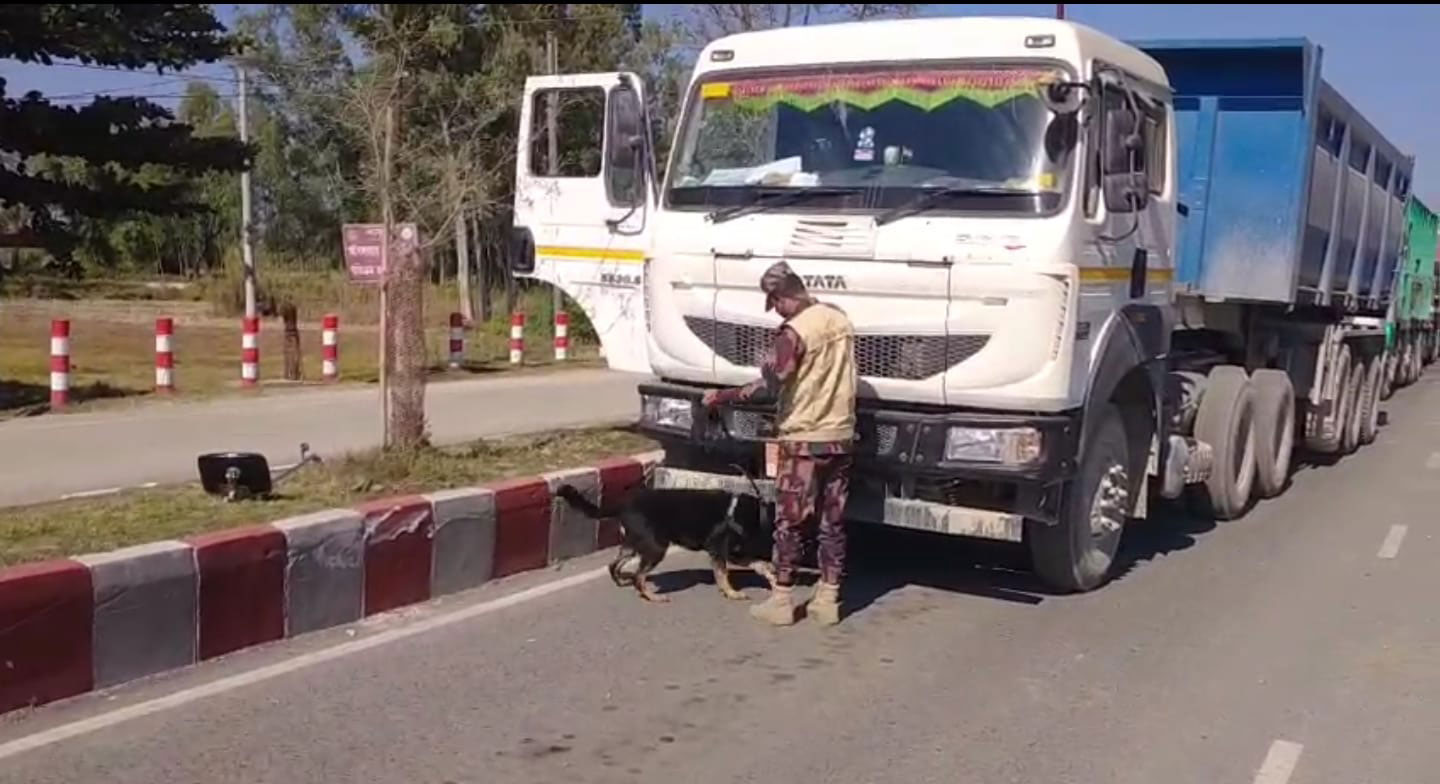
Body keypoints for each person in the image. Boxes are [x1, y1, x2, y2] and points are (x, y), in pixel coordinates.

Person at [702, 261, 857, 626]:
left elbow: (771, 383)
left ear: (785, 296)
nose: (776, 311)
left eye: (776, 304)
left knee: (790, 520)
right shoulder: (838, 319)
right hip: (841, 436)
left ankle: (783, 599)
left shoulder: (794, 332)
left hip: (804, 438)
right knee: (832, 521)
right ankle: (828, 598)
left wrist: (722, 397)